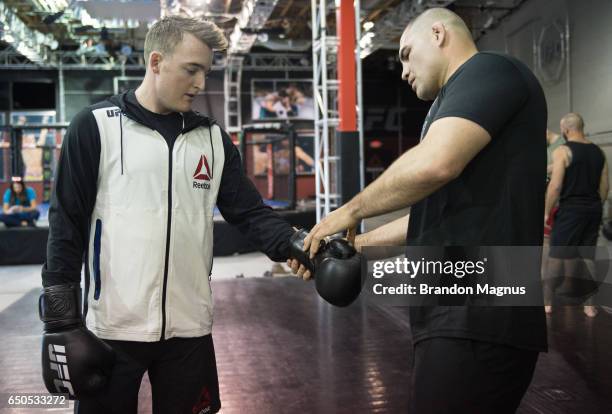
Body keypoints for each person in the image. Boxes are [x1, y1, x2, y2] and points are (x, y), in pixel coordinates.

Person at [291, 8, 548, 413]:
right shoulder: (455, 104)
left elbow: (434, 164)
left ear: (439, 33)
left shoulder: (489, 69)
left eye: (407, 54)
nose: (403, 70)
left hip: (479, 308)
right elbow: (432, 215)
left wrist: (350, 210)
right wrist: (352, 246)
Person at [39, 16, 297, 413]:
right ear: (156, 62)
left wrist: (300, 245)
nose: (200, 84)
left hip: (190, 330)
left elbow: (250, 214)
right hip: (113, 330)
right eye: (191, 70)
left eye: (205, 73)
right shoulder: (94, 127)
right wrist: (60, 321)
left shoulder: (212, 139)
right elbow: (66, 224)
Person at [544, 113, 608, 318]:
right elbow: (605, 186)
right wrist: (595, 205)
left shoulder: (563, 150)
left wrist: (546, 211)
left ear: (565, 130)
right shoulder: (598, 152)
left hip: (571, 210)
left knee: (555, 257)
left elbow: (555, 186)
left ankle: (546, 303)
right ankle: (589, 306)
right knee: (588, 256)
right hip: (593, 209)